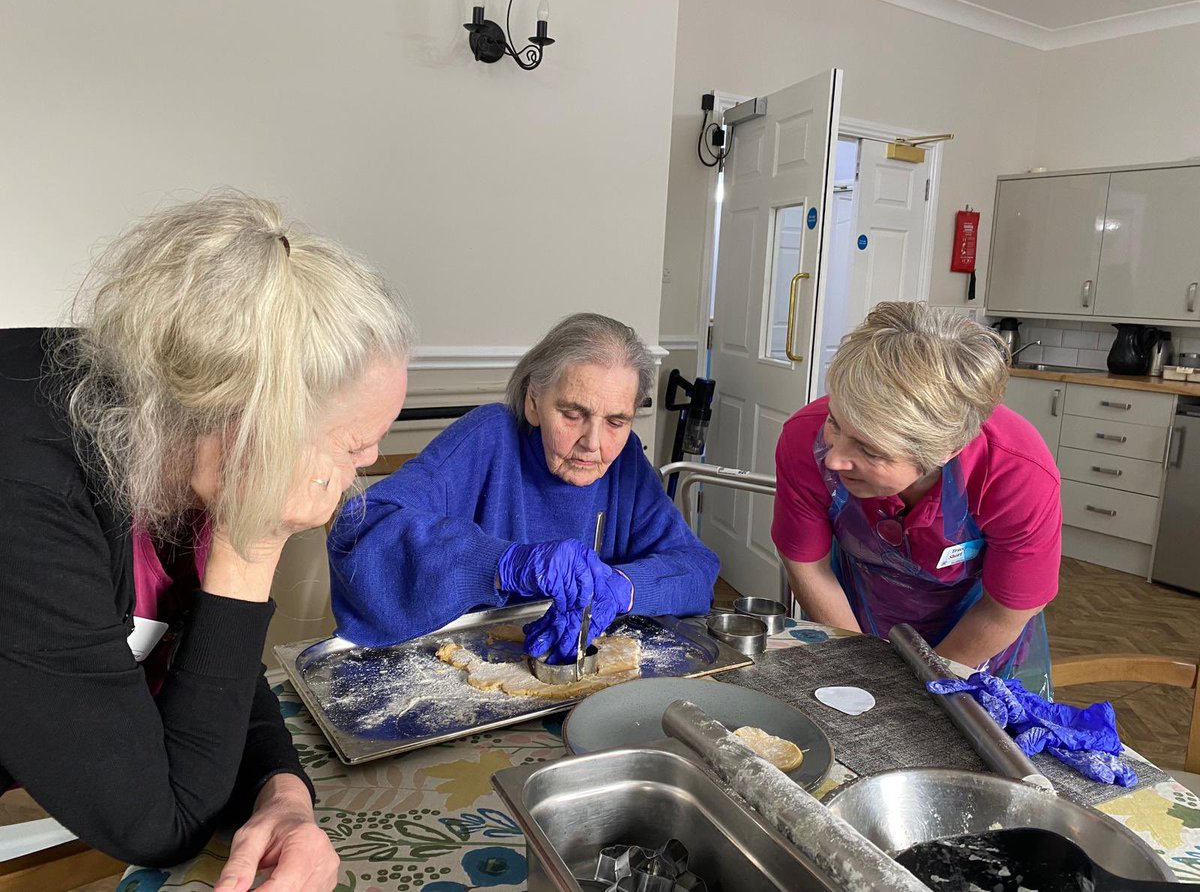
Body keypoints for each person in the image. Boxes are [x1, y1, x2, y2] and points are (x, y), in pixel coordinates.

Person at [0, 191, 414, 892]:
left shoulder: (170, 418)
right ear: (247, 433)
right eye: (354, 445)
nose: (364, 467)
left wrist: (280, 794)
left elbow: (208, 662)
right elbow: (158, 822)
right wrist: (252, 548)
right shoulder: (29, 491)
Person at [329, 312, 718, 662]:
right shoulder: (488, 437)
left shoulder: (626, 460)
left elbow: (697, 569)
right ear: (534, 401)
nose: (594, 442)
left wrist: (624, 587)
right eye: (572, 414)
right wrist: (504, 564)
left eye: (617, 421)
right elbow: (359, 530)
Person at [772, 302, 1060, 695]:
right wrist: (859, 664)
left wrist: (923, 683)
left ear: (946, 450)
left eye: (870, 450)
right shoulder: (803, 438)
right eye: (835, 424)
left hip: (978, 634)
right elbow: (810, 567)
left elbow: (1007, 608)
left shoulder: (1017, 472)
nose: (835, 457)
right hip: (855, 610)